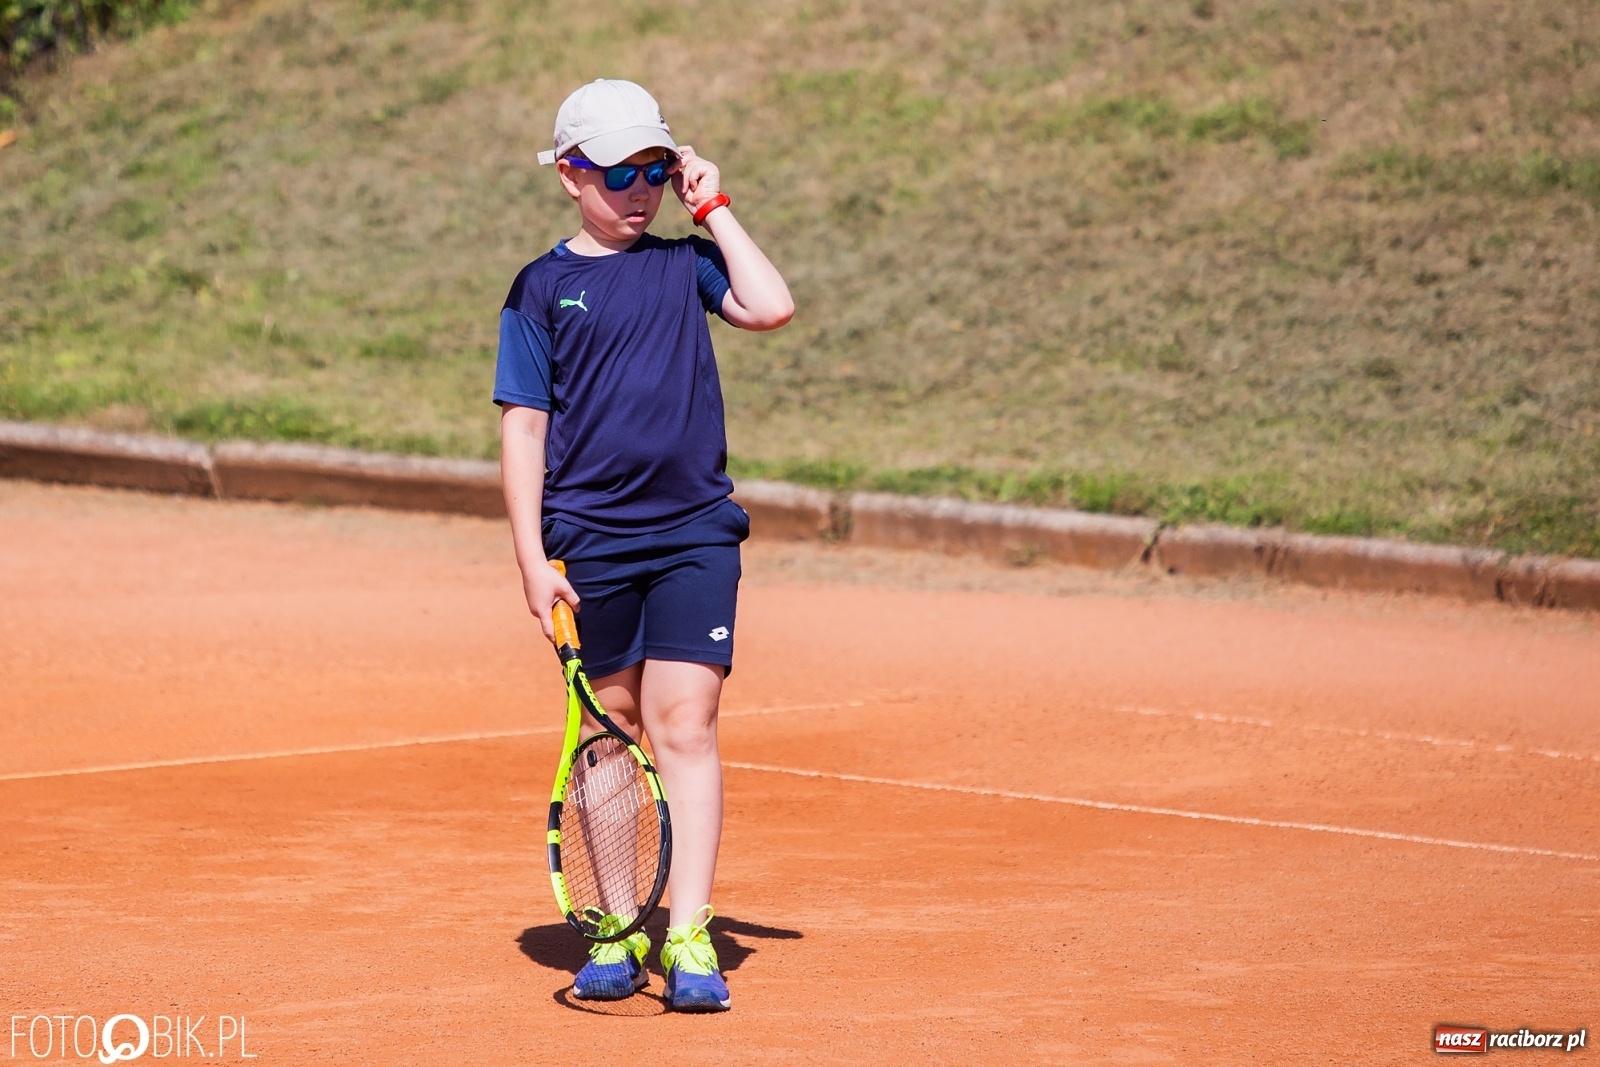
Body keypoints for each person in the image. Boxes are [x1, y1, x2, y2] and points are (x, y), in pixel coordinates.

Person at [494, 78, 793, 1012]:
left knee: (687, 726)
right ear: (569, 175)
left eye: (655, 170)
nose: (640, 190)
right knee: (609, 735)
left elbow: (771, 306)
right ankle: (618, 925)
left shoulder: (686, 264)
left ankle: (691, 929)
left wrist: (715, 206)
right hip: (591, 544)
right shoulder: (541, 289)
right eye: (619, 171)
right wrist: (532, 560)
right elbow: (524, 431)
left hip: (696, 533)